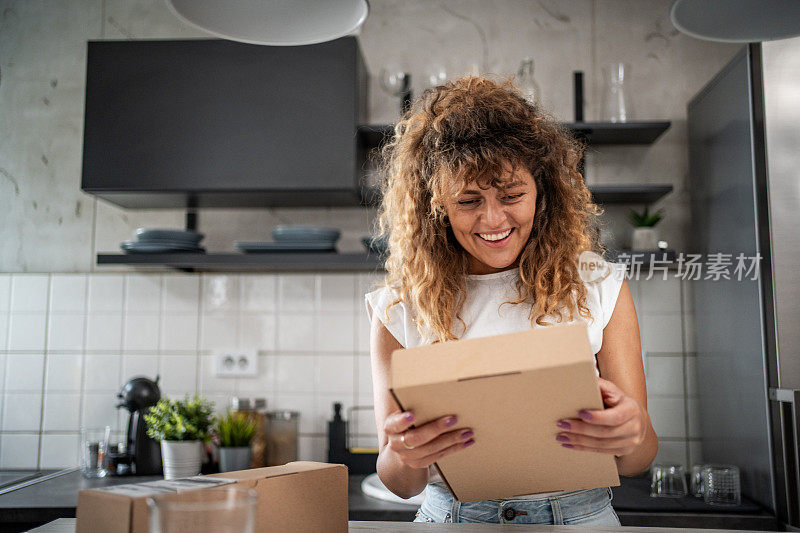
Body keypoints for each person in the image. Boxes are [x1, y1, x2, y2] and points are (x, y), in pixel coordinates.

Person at [363, 76, 658, 525]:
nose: (494, 219)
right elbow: (400, 482)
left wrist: (630, 432)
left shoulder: (597, 285)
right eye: (468, 200)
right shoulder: (399, 306)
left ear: (542, 193)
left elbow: (637, 459)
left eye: (512, 195)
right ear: (435, 204)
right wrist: (405, 454)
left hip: (578, 519)